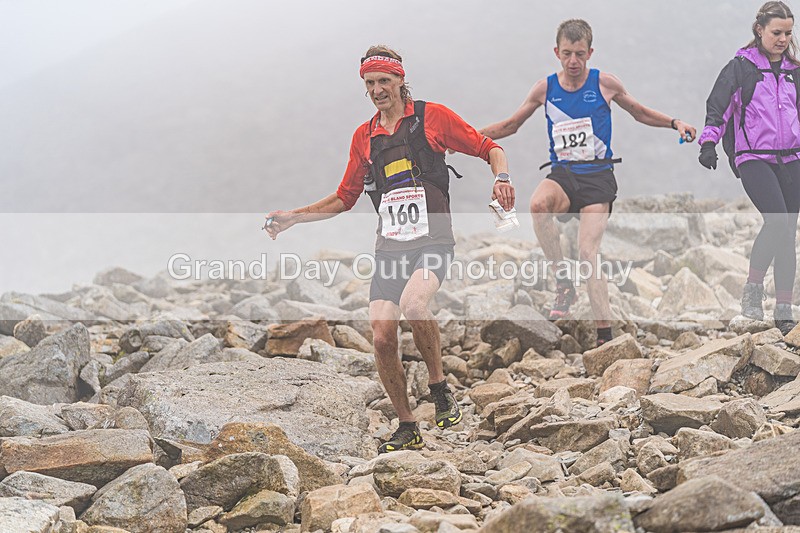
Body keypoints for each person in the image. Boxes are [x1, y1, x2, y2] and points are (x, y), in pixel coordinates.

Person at [264, 45, 515, 453]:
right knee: (381, 334)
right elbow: (344, 198)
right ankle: (406, 424)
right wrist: (294, 216)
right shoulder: (364, 138)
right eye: (370, 83)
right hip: (390, 247)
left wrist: (501, 178)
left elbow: (489, 147)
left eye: (384, 81)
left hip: (433, 240)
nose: (378, 89)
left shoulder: (432, 118)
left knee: (415, 306)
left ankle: (438, 388)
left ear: (400, 79)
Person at [479, 19, 697, 347]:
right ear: (556, 52)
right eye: (567, 53)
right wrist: (465, 137)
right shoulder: (545, 89)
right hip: (564, 176)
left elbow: (639, 112)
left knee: (587, 252)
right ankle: (563, 283)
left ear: (590, 52)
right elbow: (511, 125)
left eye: (580, 54)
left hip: (597, 179)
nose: (573, 61)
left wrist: (675, 123)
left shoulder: (605, 84)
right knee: (538, 205)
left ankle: (604, 336)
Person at [699, 2, 800, 336]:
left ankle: (783, 308)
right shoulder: (741, 68)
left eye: (788, 32)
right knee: (776, 220)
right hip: (753, 157)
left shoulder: (794, 71)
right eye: (776, 32)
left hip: (793, 158)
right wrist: (709, 142)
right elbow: (718, 106)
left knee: (787, 231)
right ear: (759, 30)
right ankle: (753, 291)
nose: (783, 38)